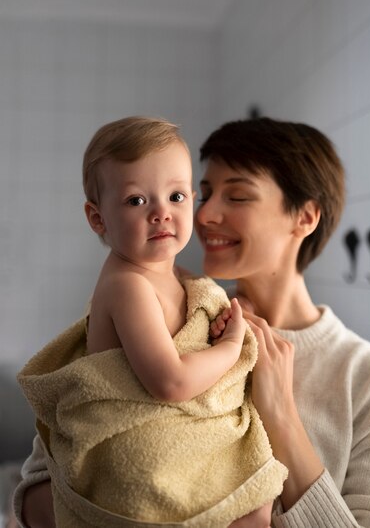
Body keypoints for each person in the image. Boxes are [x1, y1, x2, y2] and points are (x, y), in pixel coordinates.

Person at [15, 116, 370, 527]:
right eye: (204, 194)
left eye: (238, 197)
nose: (205, 216)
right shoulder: (168, 314)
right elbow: (42, 484)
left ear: (305, 217)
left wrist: (281, 416)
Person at [16, 117, 287, 528]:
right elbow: (172, 382)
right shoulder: (129, 286)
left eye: (176, 196)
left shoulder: (174, 276)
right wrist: (228, 348)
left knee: (258, 496)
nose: (161, 213)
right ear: (97, 218)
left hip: (179, 431)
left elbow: (187, 328)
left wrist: (214, 317)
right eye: (136, 201)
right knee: (254, 492)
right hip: (138, 447)